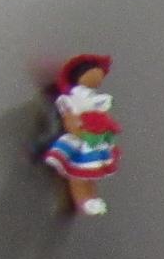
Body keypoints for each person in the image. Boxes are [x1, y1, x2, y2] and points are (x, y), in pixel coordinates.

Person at [42, 54, 119, 217]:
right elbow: (70, 118)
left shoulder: (94, 98)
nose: (99, 78)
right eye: (95, 73)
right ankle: (82, 200)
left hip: (93, 142)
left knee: (91, 173)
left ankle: (91, 198)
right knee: (77, 174)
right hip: (79, 142)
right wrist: (78, 128)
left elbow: (101, 115)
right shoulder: (72, 98)